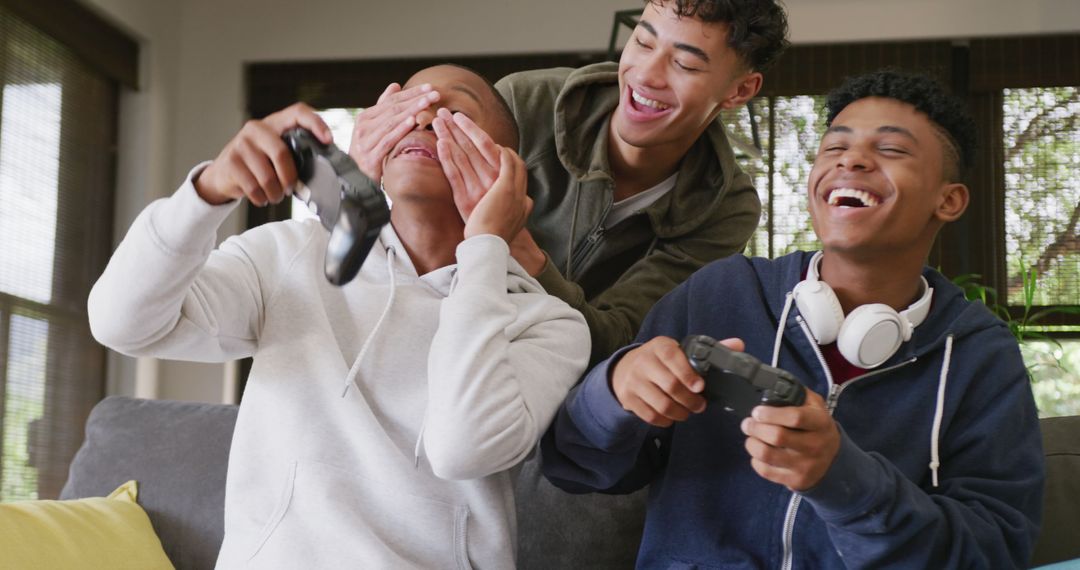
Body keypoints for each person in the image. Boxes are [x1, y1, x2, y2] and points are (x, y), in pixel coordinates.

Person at [87, 64, 591, 568]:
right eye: (405, 104)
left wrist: (486, 247)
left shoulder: (547, 323)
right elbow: (121, 322)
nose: (422, 116)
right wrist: (208, 192)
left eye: (454, 111)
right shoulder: (291, 254)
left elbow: (464, 448)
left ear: (510, 168)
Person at [539, 70, 1045, 568]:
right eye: (834, 147)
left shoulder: (982, 355)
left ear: (949, 200)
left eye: (890, 149)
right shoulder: (721, 293)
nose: (852, 159)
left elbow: (994, 550)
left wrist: (845, 481)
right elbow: (576, 465)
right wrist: (613, 391)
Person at [494, 0, 790, 364]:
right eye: (644, 43)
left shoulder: (726, 209)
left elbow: (619, 340)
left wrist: (523, 252)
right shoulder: (524, 104)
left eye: (686, 64)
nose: (647, 75)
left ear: (740, 91)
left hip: (567, 398)